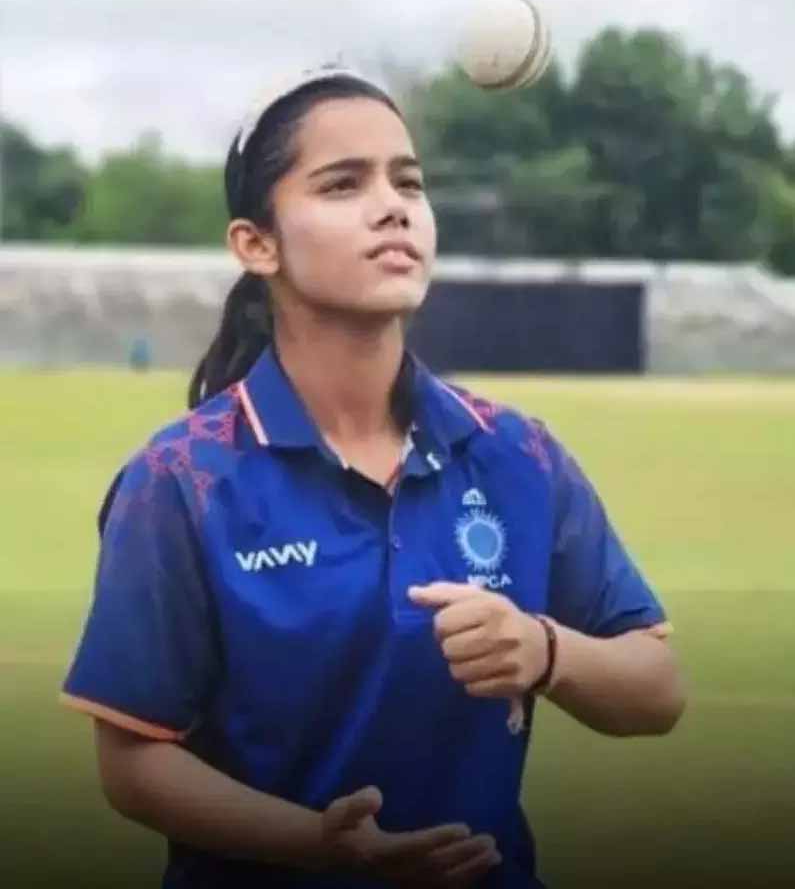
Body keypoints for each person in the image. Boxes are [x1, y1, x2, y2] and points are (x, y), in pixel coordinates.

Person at [60, 66, 686, 889]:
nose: (393, 207)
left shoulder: (516, 454)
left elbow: (656, 689)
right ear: (256, 244)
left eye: (408, 182)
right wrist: (319, 845)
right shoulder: (180, 479)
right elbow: (133, 762)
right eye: (342, 184)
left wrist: (543, 649)